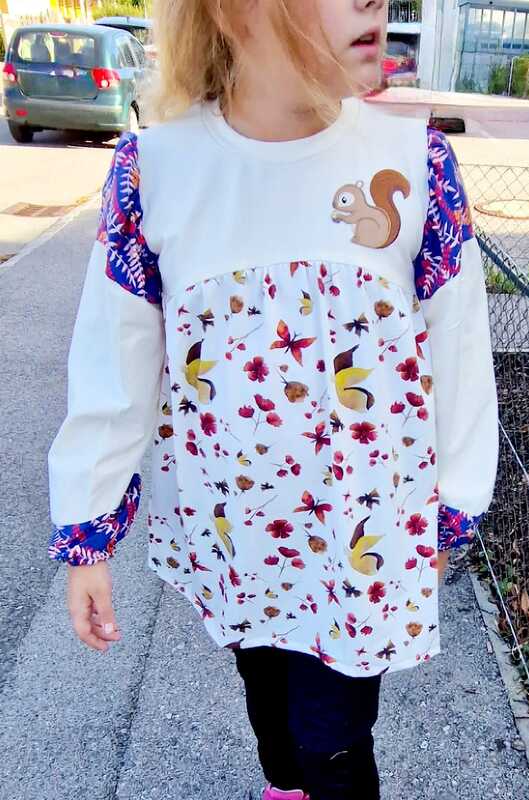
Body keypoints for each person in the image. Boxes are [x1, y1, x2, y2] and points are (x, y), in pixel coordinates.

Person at [46, 1, 499, 798]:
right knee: (266, 693)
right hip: (236, 534)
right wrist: (88, 528)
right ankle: (283, 784)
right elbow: (114, 363)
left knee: (334, 740)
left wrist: (452, 506)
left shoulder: (412, 162)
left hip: (359, 534)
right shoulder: (158, 172)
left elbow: (459, 348)